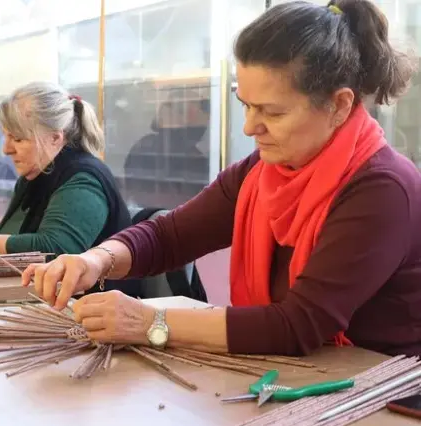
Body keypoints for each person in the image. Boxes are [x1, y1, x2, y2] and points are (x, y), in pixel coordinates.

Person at [23, 1, 421, 358]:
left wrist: (150, 324)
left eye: (273, 112)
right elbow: (170, 235)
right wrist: (95, 260)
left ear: (339, 105)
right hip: (298, 375)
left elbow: (298, 325)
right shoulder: (262, 172)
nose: (250, 127)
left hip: (384, 408)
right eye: (245, 105)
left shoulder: (381, 190)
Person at [0, 81, 140, 298]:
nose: (6, 149)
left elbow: (54, 250)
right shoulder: (36, 176)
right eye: (6, 136)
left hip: (90, 309)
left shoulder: (83, 180)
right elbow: (9, 236)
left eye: (18, 139)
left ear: (55, 138)